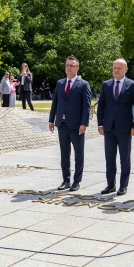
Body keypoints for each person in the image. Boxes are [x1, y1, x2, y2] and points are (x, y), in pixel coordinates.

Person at [97, 59, 134, 196]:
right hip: (109, 127)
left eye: (119, 68)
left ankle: (123, 186)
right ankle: (111, 185)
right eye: (114, 68)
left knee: (124, 158)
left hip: (125, 128)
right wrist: (100, 124)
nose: (116, 70)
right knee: (109, 158)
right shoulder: (106, 85)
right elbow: (101, 106)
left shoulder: (133, 85)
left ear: (125, 70)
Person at [48, 56, 91, 192]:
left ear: (77, 68)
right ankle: (66, 180)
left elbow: (87, 106)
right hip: (62, 124)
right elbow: (55, 103)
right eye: (67, 65)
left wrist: (84, 123)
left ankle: (76, 181)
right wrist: (51, 120)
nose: (69, 68)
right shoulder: (60, 83)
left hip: (76, 125)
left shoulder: (83, 84)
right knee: (64, 154)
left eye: (72, 65)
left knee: (79, 154)